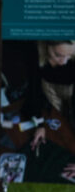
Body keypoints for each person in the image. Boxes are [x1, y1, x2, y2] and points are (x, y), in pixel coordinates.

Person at [25, 40, 75, 183]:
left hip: (72, 89)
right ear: (46, 46)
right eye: (58, 55)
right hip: (50, 89)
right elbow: (34, 90)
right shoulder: (35, 51)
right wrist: (40, 124)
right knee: (59, 126)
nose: (64, 62)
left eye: (70, 56)